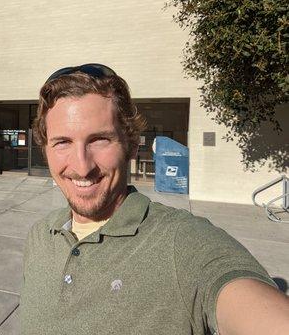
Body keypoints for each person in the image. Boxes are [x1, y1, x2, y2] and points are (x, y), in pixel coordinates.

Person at [20, 63, 289, 335]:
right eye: (62, 142)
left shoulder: (182, 242)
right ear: (46, 150)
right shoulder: (40, 236)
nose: (81, 165)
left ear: (132, 145)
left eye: (99, 139)